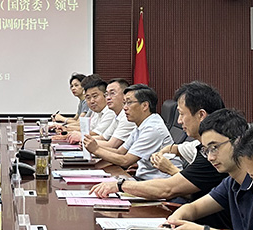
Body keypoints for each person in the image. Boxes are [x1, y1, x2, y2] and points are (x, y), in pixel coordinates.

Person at [91, 82, 225, 201]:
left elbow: (168, 189)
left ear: (201, 115)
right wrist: (164, 151)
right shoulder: (200, 146)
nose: (179, 121)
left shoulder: (212, 154)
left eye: (181, 114)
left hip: (167, 191)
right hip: (161, 188)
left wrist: (120, 185)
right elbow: (177, 148)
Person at [84, 84, 171, 180]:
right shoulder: (141, 125)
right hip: (143, 177)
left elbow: (125, 161)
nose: (125, 108)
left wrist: (96, 149)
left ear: (145, 106)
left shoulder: (153, 128)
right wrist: (94, 147)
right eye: (124, 103)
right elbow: (120, 152)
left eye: (129, 103)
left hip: (158, 182)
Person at [60, 75, 117, 143]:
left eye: (95, 96)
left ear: (105, 95)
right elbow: (87, 129)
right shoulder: (96, 112)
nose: (92, 101)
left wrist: (68, 132)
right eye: (88, 98)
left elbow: (97, 134)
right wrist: (66, 130)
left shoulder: (111, 112)